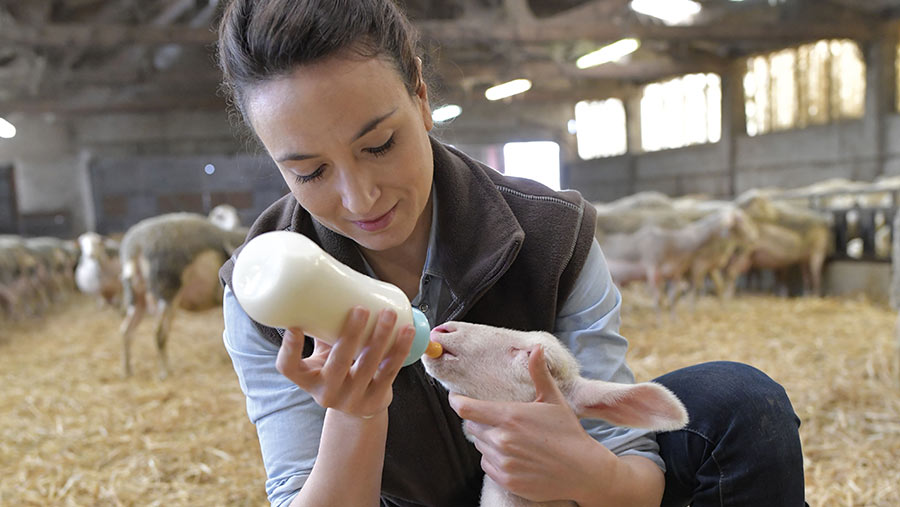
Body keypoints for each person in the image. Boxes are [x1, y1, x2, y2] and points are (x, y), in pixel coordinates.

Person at [216, 1, 807, 506]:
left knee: (738, 405)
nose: (359, 196)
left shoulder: (552, 232)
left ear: (421, 96)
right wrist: (356, 416)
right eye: (310, 170)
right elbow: (297, 490)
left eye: (380, 144)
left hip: (561, 494)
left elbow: (631, 462)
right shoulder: (263, 295)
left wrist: (581, 467)